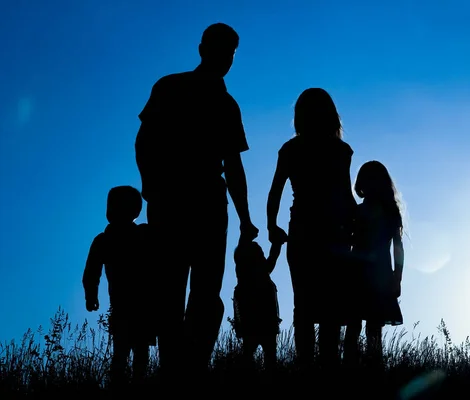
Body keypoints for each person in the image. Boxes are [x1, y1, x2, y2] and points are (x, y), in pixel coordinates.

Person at [134, 22, 259, 383]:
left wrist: (245, 218)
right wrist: (151, 186)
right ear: (202, 48)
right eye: (221, 50)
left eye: (231, 53)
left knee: (206, 292)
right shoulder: (170, 87)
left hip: (208, 203)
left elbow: (234, 166)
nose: (226, 59)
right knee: (171, 288)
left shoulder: (226, 104)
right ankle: (176, 369)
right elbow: (144, 141)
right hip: (172, 200)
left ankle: (193, 368)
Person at [267, 88, 357, 369]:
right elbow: (346, 195)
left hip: (304, 232)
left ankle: (306, 367)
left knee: (303, 304)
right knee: (330, 306)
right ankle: (327, 367)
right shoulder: (340, 150)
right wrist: (359, 225)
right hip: (332, 234)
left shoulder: (292, 148)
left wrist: (273, 226)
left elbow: (275, 192)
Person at [82, 185, 156, 390]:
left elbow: (91, 272)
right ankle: (125, 386)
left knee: (133, 351)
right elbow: (91, 271)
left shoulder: (137, 234)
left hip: (137, 305)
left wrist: (91, 294)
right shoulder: (109, 239)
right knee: (128, 352)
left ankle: (128, 386)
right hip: (130, 305)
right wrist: (90, 294)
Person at [343, 160, 404, 367]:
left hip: (374, 274)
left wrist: (397, 277)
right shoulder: (367, 213)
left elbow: (398, 248)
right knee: (359, 324)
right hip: (364, 273)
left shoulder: (381, 213)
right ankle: (361, 366)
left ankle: (368, 367)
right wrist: (397, 277)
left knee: (369, 325)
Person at [230, 238, 284, 371]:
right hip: (263, 323)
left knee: (250, 354)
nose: (263, 256)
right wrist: (277, 244)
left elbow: (271, 259)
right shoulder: (260, 274)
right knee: (268, 355)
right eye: (260, 254)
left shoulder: (244, 278)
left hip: (252, 324)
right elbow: (272, 259)